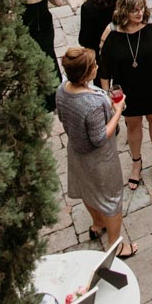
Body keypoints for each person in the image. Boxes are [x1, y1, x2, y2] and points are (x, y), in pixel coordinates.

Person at [56, 47, 136, 258]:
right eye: (94, 66)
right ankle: (116, 245)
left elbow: (63, 118)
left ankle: (97, 223)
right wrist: (118, 110)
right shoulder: (91, 104)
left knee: (87, 190)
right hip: (100, 160)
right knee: (112, 198)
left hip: (76, 152)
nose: (98, 67)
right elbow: (100, 138)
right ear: (86, 74)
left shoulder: (62, 90)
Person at [99, 0, 152, 190]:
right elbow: (104, 66)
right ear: (124, 11)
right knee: (132, 125)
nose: (140, 13)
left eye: (141, 8)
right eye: (134, 10)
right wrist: (107, 93)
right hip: (128, 87)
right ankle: (136, 162)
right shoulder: (112, 31)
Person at [18, 0, 64, 112]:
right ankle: (56, 95)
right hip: (45, 23)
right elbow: (59, 2)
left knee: (32, 58)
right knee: (49, 54)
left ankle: (40, 96)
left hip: (27, 26)